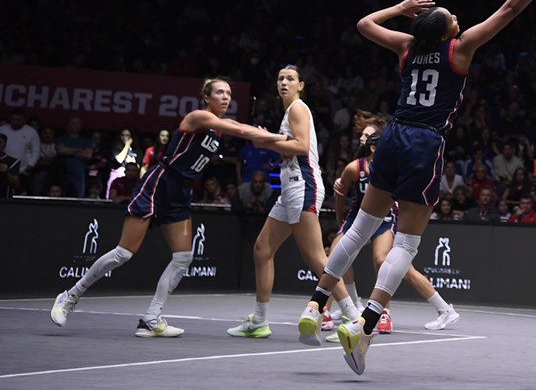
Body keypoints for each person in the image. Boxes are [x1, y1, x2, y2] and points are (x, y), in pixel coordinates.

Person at [313, 0, 536, 375]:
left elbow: (364, 24)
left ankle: (319, 303)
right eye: (453, 18)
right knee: (407, 243)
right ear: (445, 33)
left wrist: (398, 8)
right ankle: (363, 325)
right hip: (423, 141)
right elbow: (510, 9)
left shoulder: (405, 45)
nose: (458, 19)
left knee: (360, 227)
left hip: (393, 133)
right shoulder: (459, 48)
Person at [50, 77, 289, 337]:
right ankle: (69, 296)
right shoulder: (198, 117)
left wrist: (275, 142)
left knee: (183, 257)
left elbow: (246, 131)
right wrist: (279, 135)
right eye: (219, 92)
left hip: (181, 191)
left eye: (229, 93)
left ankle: (152, 318)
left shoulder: (221, 126)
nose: (225, 97)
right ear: (206, 98)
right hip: (161, 183)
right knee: (124, 253)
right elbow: (244, 132)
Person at [309, 112, 460, 341]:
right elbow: (341, 195)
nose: (362, 138)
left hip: (386, 219)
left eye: (367, 135)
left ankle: (393, 312)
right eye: (361, 135)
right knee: (340, 251)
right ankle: (347, 308)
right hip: (359, 217)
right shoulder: (355, 167)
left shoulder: (393, 159)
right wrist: (341, 222)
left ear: (377, 143)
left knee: (388, 262)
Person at [228, 65, 328, 341]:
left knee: (316, 257)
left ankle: (352, 315)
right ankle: (259, 321)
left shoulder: (297, 108)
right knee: (262, 249)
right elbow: (289, 146)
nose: (284, 82)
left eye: (290, 78)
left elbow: (300, 146)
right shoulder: (288, 112)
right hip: (288, 190)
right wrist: (269, 139)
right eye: (280, 78)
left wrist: (268, 141)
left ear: (301, 85)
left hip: (303, 185)